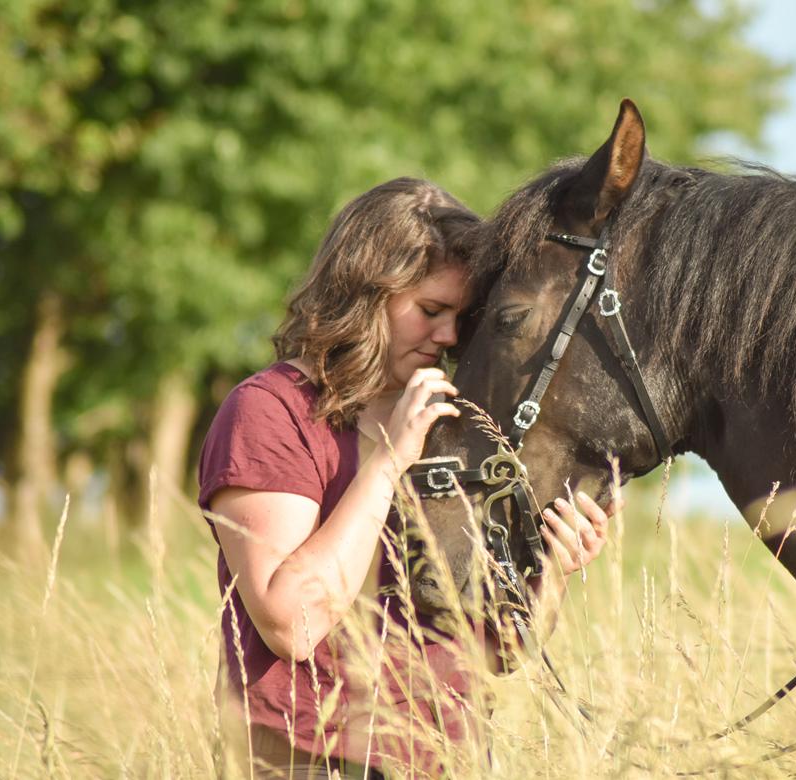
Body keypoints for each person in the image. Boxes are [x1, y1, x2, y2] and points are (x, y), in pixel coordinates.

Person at [197, 178, 614, 779]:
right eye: (430, 310)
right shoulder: (271, 411)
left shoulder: (455, 423)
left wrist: (554, 571)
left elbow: (496, 652)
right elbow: (292, 622)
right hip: (304, 757)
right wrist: (389, 462)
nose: (448, 337)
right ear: (363, 295)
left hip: (447, 760)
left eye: (460, 317)